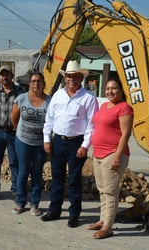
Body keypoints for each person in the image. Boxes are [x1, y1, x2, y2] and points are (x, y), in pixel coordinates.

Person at [41, 60, 99, 228]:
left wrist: (85, 146)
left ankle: (74, 214)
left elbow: (92, 125)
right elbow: (49, 119)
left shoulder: (88, 98)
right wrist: (47, 139)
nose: (71, 79)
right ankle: (55, 210)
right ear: (65, 78)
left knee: (74, 180)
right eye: (68, 76)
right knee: (57, 178)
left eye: (75, 76)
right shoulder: (58, 95)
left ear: (81, 78)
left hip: (77, 143)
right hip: (58, 141)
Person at [88, 76, 134, 239]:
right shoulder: (104, 106)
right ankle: (102, 220)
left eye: (114, 88)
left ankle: (108, 227)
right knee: (102, 190)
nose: (110, 91)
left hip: (112, 154)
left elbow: (125, 134)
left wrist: (117, 156)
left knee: (110, 191)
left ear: (121, 90)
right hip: (99, 153)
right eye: (107, 88)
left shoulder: (124, 108)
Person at [11, 71, 50, 215]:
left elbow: (51, 121)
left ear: (43, 84)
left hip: (40, 144)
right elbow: (14, 118)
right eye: (33, 81)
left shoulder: (49, 101)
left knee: (37, 173)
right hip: (23, 141)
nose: (36, 84)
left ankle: (34, 203)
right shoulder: (21, 99)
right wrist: (19, 131)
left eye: (39, 81)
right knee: (23, 171)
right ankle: (20, 202)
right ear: (29, 83)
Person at [0, 65, 25, 201]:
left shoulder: (20, 92)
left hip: (13, 133)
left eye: (7, 74)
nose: (4, 77)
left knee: (14, 162)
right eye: (2, 75)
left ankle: (15, 190)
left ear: (12, 75)